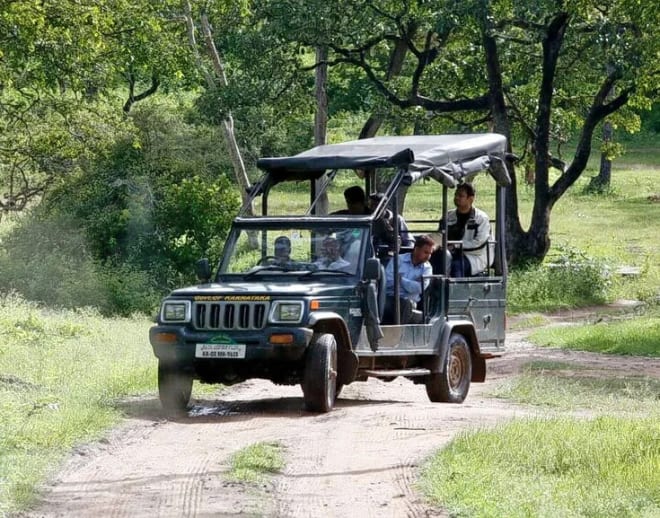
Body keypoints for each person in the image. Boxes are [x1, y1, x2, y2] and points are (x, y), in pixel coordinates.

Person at [438, 183, 491, 277]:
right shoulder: (448, 216)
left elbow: (479, 242)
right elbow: (440, 235)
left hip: (474, 256)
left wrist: (456, 246)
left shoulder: (481, 218)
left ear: (471, 199)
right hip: (450, 253)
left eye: (461, 196)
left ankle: (455, 290)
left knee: (457, 266)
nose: (456, 198)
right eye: (456, 195)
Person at [383, 234, 434, 324]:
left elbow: (420, 288)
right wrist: (411, 285)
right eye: (426, 252)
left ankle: (399, 334)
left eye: (430, 253)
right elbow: (388, 282)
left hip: (410, 302)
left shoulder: (427, 268)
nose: (428, 256)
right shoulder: (398, 260)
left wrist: (401, 280)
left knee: (406, 303)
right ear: (416, 249)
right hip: (391, 298)